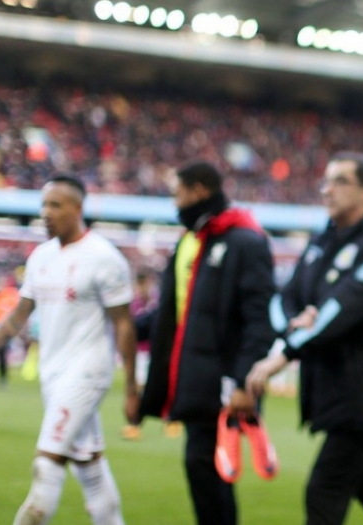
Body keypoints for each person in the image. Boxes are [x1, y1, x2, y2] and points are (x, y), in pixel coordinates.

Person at [247, 152, 363, 525]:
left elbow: (342, 307)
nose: (327, 190)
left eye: (340, 181)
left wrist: (285, 352)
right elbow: (285, 298)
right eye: (325, 181)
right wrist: (294, 325)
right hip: (331, 390)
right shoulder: (322, 239)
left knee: (324, 492)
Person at [0, 175, 138, 525]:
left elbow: (124, 324)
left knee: (47, 466)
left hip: (87, 374)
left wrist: (132, 387)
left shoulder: (104, 257)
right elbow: (21, 312)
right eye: (43, 204)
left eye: (55, 205)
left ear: (78, 208)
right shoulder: (41, 257)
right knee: (89, 465)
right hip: (52, 374)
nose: (46, 212)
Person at [138, 161, 276, 525]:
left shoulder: (246, 242)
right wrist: (122, 323)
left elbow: (259, 319)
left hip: (223, 384)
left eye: (178, 194)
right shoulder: (189, 241)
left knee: (206, 469)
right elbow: (172, 313)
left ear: (198, 190)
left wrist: (243, 381)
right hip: (194, 381)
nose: (175, 203)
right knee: (205, 470)